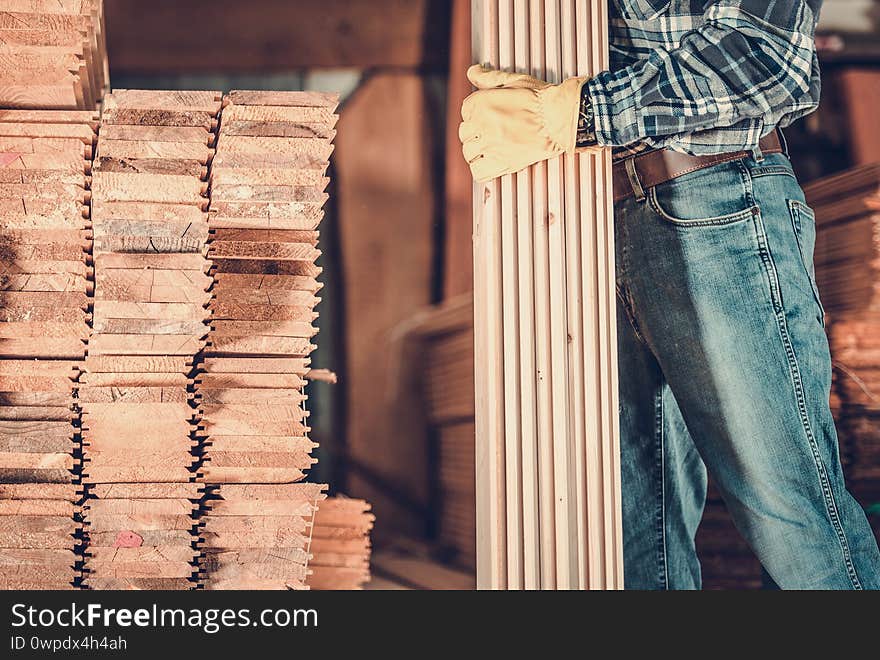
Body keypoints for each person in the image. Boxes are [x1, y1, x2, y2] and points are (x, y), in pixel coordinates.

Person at [459, 0, 880, 589]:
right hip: (591, 215)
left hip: (716, 198)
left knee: (790, 513)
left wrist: (577, 112)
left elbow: (767, 57)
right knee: (633, 534)